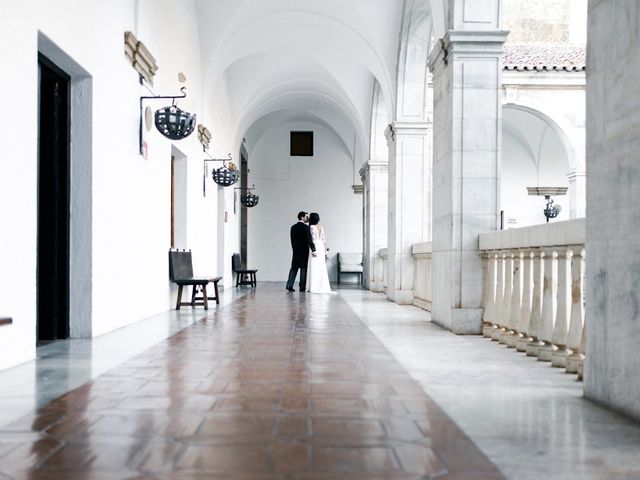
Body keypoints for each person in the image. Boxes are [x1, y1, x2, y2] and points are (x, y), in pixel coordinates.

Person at [286, 211, 316, 292]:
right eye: (306, 217)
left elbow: (292, 241)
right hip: (304, 251)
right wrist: (313, 249)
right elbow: (309, 240)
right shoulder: (306, 228)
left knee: (294, 268)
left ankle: (289, 285)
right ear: (302, 217)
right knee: (303, 269)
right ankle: (302, 287)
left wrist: (294, 249)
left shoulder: (293, 227)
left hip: (296, 251)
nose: (307, 218)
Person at [306, 212, 334, 293]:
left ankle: (313, 287)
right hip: (321, 246)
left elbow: (310, 239)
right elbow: (324, 239)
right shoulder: (321, 226)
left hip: (314, 246)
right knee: (321, 266)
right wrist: (325, 252)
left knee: (314, 265)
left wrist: (313, 249)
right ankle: (322, 285)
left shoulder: (311, 227)